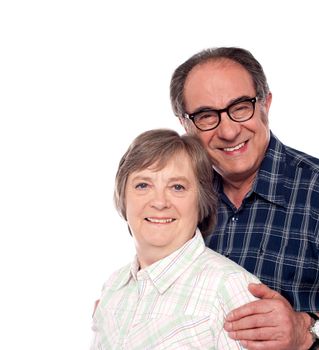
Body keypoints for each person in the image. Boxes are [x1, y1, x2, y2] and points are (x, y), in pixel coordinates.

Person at [170, 47, 319, 350]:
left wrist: (306, 328)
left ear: (265, 104)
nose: (229, 131)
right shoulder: (182, 196)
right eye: (207, 116)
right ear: (185, 123)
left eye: (241, 107)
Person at [91, 129, 261, 349]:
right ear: (123, 198)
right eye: (143, 185)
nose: (159, 202)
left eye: (177, 187)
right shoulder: (113, 288)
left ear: (201, 202)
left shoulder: (231, 288)